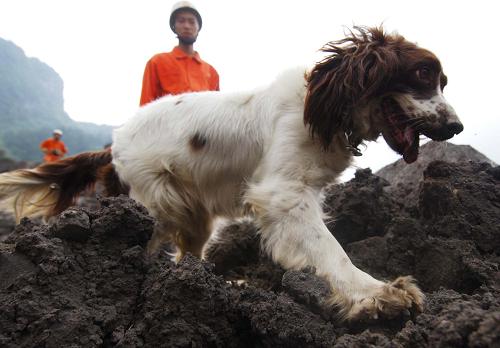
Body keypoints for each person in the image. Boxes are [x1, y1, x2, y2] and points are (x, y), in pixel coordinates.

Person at [140, 1, 219, 106]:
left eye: (192, 22)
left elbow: (216, 113)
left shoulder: (212, 73)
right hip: (167, 122)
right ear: (174, 26)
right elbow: (145, 108)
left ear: (198, 28)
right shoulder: (157, 63)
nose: (186, 26)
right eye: (181, 21)